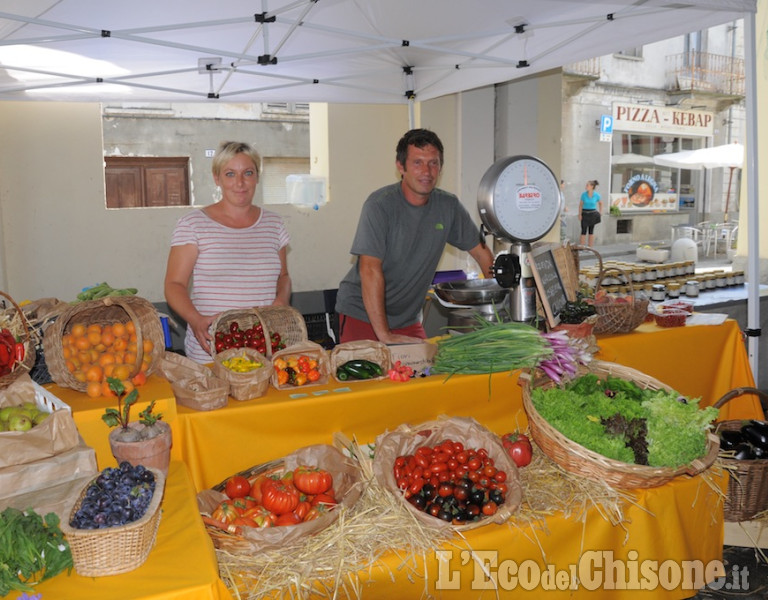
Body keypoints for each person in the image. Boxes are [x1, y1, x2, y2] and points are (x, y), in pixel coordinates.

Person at [335, 128, 494, 344]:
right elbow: (369, 269)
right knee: (368, 377)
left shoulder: (448, 206)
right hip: (362, 315)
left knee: (424, 374)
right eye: (417, 163)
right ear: (401, 167)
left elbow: (483, 254)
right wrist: (384, 336)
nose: (427, 172)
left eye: (433, 163)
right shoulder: (379, 205)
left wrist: (498, 314)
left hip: (407, 320)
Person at [164, 141, 291, 362]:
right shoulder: (193, 224)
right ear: (217, 178)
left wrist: (280, 301)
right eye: (230, 174)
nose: (240, 183)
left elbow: (284, 277)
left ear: (257, 177)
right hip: (212, 352)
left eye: (248, 173)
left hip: (264, 350)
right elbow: (174, 285)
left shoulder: (274, 224)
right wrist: (195, 320)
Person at [578, 179, 602, 247]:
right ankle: (582, 247)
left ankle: (590, 247)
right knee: (583, 231)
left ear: (592, 186)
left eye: (587, 185)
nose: (586, 186)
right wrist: (579, 214)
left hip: (592, 214)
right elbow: (580, 205)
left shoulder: (597, 195)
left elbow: (601, 203)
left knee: (591, 231)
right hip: (584, 214)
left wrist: (600, 212)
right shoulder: (583, 195)